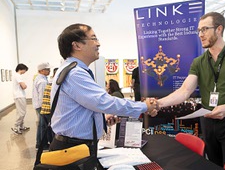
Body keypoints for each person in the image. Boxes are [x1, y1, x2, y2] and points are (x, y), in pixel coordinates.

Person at [157, 12, 225, 167]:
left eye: (205, 29)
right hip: (208, 120)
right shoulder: (199, 61)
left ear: (219, 29)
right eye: (199, 30)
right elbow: (185, 90)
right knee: (214, 168)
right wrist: (156, 104)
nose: (200, 34)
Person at [50, 23, 157, 152]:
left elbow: (83, 108)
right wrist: (144, 106)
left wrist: (101, 119)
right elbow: (103, 102)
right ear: (77, 45)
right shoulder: (75, 73)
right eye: (93, 38)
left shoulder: (72, 70)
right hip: (72, 148)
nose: (98, 44)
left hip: (74, 145)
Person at [32, 62, 51, 149]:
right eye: (47, 69)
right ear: (42, 70)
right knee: (43, 126)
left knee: (41, 125)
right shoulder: (42, 81)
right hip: (42, 106)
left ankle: (40, 143)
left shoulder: (39, 78)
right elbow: (43, 97)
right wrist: (44, 108)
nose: (49, 71)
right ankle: (42, 145)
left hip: (39, 106)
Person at [39, 67, 58, 144]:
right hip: (49, 110)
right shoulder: (54, 84)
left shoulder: (50, 82)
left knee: (49, 129)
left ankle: (51, 145)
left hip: (45, 109)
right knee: (53, 130)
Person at [11, 63, 30, 134]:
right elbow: (24, 86)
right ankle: (15, 126)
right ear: (22, 69)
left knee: (20, 111)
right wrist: (25, 85)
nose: (25, 72)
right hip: (19, 96)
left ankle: (21, 126)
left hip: (19, 96)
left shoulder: (16, 75)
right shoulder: (18, 75)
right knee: (22, 112)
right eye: (25, 70)